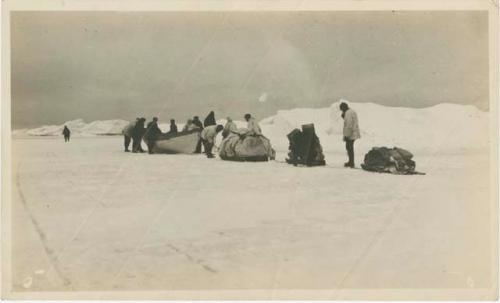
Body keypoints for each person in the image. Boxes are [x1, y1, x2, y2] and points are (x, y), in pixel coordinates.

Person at [339, 102, 361, 168]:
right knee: (349, 147)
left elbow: (349, 125)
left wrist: (347, 135)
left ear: (344, 108)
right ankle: (351, 161)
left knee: (349, 147)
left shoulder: (348, 113)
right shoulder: (351, 111)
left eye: (342, 109)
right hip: (353, 132)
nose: (342, 111)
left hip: (351, 133)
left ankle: (351, 162)